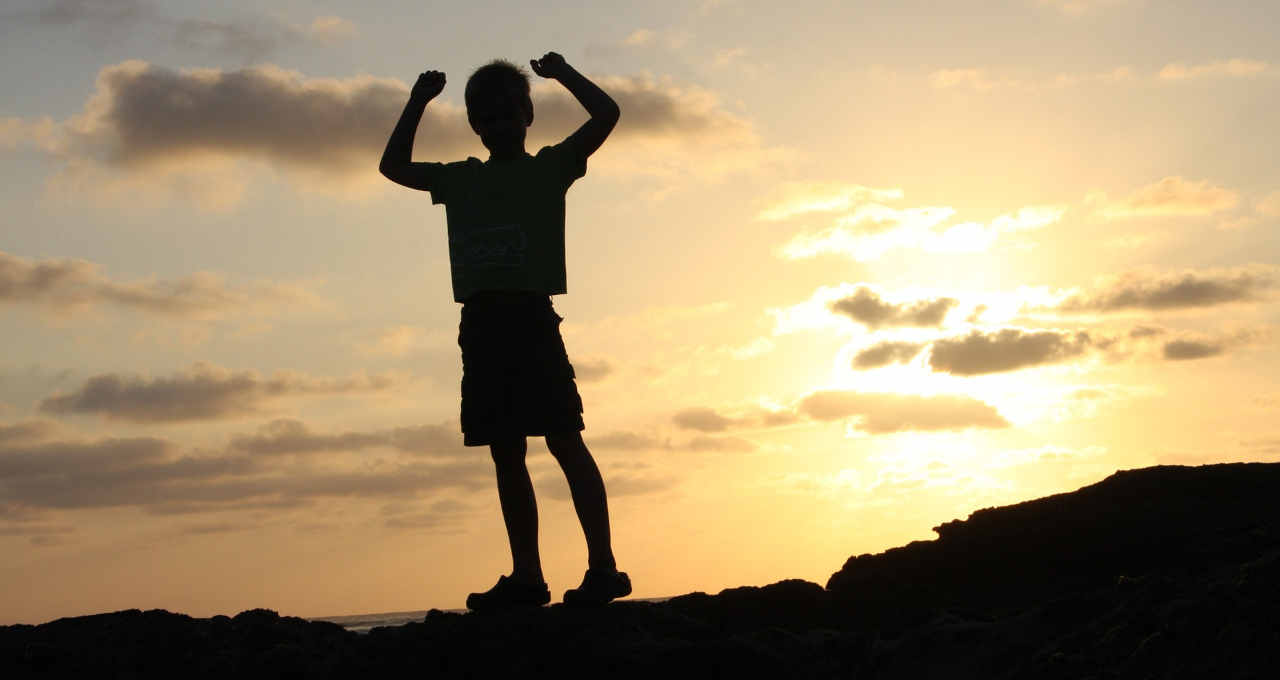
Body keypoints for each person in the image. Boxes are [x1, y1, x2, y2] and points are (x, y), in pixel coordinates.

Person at [379, 52, 629, 610]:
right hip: (483, 326)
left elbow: (607, 113)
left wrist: (563, 73)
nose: (498, 126)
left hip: (532, 320)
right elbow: (393, 167)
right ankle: (528, 577)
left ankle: (604, 568)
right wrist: (417, 102)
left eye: (507, 114)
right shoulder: (461, 179)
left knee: (565, 439)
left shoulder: (549, 167)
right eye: (486, 118)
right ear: (474, 125)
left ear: (528, 115)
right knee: (506, 452)